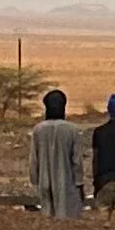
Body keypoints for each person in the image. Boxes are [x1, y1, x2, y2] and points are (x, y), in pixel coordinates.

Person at [29, 88, 83, 219]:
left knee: (47, 221)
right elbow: (77, 162)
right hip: (66, 185)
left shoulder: (38, 130)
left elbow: (34, 160)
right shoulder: (73, 130)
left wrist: (35, 181)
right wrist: (79, 183)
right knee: (66, 220)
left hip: (44, 183)